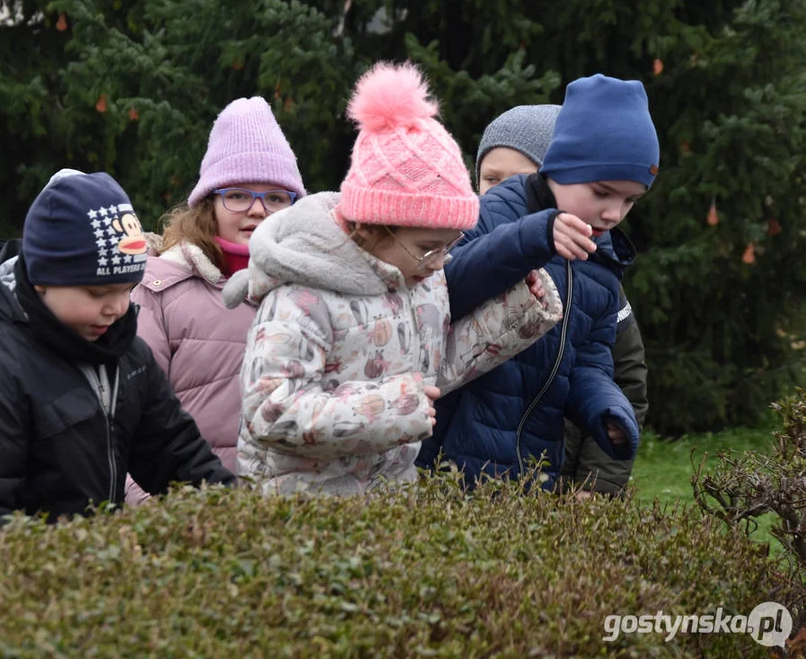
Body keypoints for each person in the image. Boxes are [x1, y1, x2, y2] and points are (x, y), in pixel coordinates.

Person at [222, 62, 563, 496]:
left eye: (449, 245)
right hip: (300, 515)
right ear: (372, 226)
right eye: (427, 247)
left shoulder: (421, 280)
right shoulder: (301, 296)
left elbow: (430, 375)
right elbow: (269, 411)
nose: (440, 262)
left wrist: (513, 317)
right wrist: (395, 408)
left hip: (389, 506)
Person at [0, 170, 235, 550]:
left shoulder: (128, 357)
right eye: (97, 292)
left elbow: (180, 459)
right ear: (42, 279)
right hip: (15, 594)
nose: (118, 308)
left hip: (90, 584)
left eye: (127, 289)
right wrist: (85, 560)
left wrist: (240, 516)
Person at [418, 74, 656, 489]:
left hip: (531, 475)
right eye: (602, 192)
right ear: (561, 168)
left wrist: (607, 410)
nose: (614, 213)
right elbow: (443, 287)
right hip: (446, 464)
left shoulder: (600, 263)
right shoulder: (495, 211)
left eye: (630, 200)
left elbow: (588, 362)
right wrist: (533, 237)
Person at [127, 97, 307, 504]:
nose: (259, 211)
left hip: (294, 520)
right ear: (209, 202)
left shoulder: (315, 291)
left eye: (277, 197)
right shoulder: (159, 289)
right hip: (188, 523)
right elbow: (127, 422)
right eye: (239, 195)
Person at [474, 105, 649, 496]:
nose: (503, 191)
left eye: (518, 180)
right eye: (491, 178)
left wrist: (597, 483)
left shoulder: (597, 275)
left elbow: (622, 379)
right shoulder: (466, 243)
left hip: (552, 475)